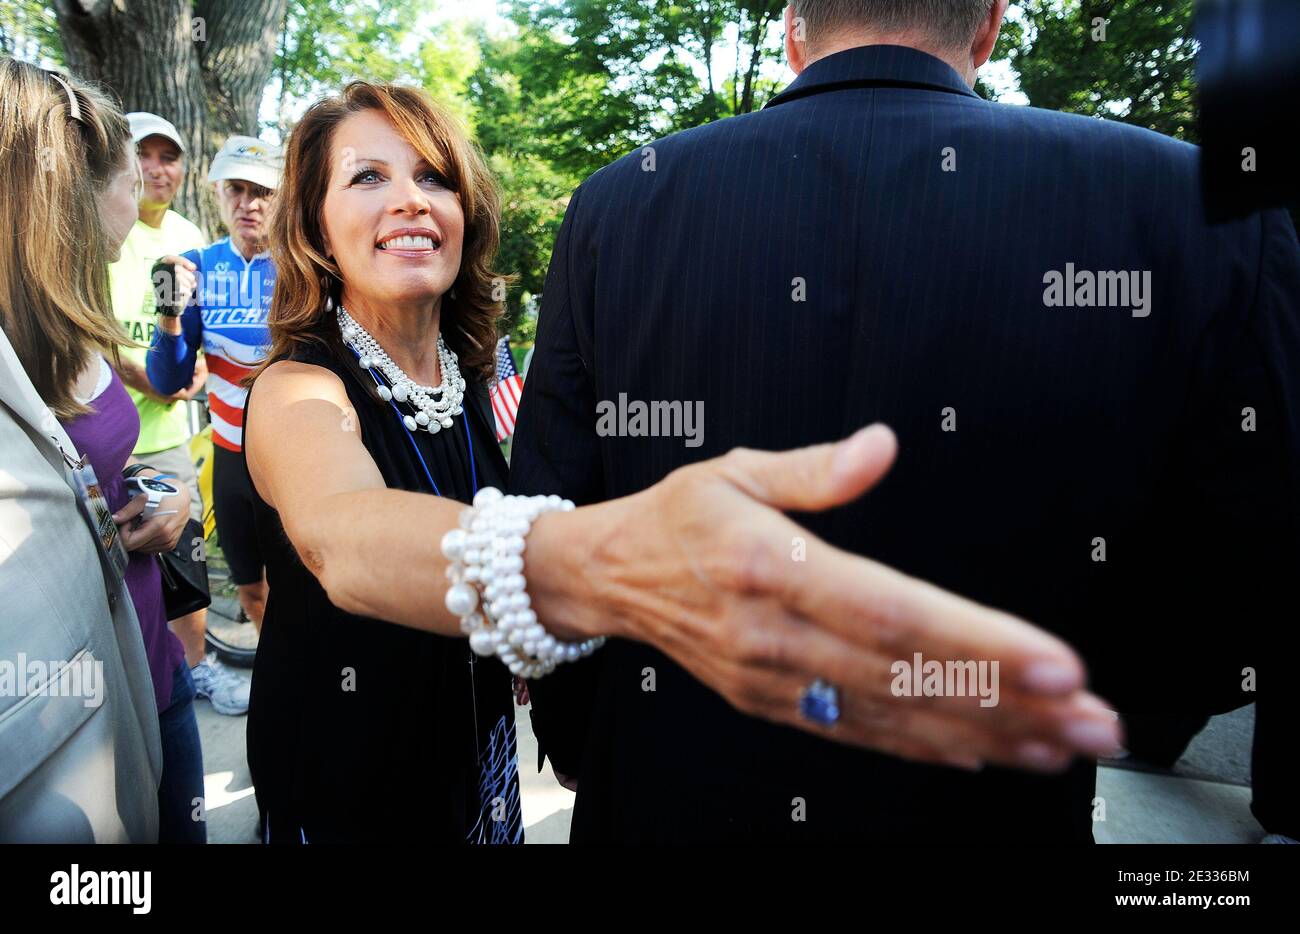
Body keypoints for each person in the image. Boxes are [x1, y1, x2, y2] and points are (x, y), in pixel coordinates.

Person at [240, 80, 1120, 843]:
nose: (409, 200)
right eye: (367, 177)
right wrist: (609, 567)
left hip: (473, 771)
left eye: (433, 176)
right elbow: (339, 541)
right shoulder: (297, 387)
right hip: (351, 785)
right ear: (316, 228)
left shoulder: (467, 377)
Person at [509, 0, 1300, 841]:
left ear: (793, 32)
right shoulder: (1198, 205)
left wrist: (574, 734)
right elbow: (1260, 563)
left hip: (669, 795)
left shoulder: (617, 205)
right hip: (993, 807)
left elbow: (557, 507)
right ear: (990, 26)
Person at [0, 58, 204, 843]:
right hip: (58, 734)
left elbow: (148, 398)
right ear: (69, 200)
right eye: (129, 180)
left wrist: (165, 497)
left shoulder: (75, 319)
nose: (144, 197)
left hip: (151, 668)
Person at [106, 112, 247, 716]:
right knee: (115, 569)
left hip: (167, 434)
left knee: (186, 563)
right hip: (105, 435)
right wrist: (148, 376)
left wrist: (189, 371)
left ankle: (193, 673)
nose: (158, 169)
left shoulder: (188, 236)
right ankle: (128, 688)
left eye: (170, 157)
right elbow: (83, 327)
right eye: (145, 155)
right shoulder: (102, 227)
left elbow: (189, 335)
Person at [149, 135, 281, 716]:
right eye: (237, 190)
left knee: (312, 581)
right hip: (231, 456)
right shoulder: (196, 268)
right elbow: (170, 377)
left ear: (279, 198)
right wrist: (171, 313)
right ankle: (281, 672)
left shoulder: (306, 265)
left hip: (292, 457)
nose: (249, 203)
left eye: (261, 192)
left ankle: (316, 677)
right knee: (251, 586)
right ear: (220, 196)